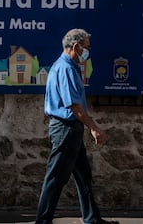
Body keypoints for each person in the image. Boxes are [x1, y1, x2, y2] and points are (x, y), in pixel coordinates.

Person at [35, 29, 119, 224]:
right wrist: (94, 127)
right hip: (66, 129)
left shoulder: (69, 66)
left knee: (83, 176)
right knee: (55, 177)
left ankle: (92, 218)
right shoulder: (65, 68)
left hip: (71, 129)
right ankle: (43, 220)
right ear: (76, 46)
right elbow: (74, 106)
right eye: (87, 47)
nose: (88, 51)